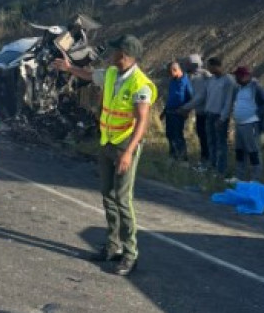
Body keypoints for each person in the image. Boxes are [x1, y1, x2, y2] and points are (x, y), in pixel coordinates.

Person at [53, 35, 156, 277]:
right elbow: (90, 75)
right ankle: (112, 246)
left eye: (114, 51)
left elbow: (143, 121)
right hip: (107, 142)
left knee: (122, 199)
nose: (109, 55)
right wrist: (70, 69)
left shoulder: (140, 84)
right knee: (107, 196)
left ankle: (130, 254)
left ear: (124, 55)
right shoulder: (111, 73)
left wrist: (129, 152)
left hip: (124, 146)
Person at [231, 65, 264, 182]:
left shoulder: (257, 88)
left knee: (253, 152)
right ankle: (239, 177)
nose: (236, 78)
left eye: (238, 76)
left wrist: (257, 114)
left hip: (251, 125)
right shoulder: (239, 88)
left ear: (246, 76)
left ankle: (255, 178)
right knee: (240, 151)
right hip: (240, 124)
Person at [204, 56, 237, 176]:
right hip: (209, 113)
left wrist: (223, 118)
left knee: (220, 144)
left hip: (219, 116)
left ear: (216, 66)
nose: (207, 69)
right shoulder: (211, 79)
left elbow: (229, 101)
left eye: (209, 66)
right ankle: (212, 165)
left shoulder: (228, 81)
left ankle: (221, 170)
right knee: (211, 141)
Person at [179, 53, 212, 168]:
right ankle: (205, 160)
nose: (185, 66)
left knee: (206, 138)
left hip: (205, 112)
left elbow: (200, 97)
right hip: (200, 112)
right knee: (203, 137)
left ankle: (207, 161)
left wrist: (185, 107)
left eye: (187, 64)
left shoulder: (201, 77)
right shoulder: (195, 76)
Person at [160, 60, 193, 161]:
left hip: (179, 113)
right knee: (169, 134)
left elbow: (191, 98)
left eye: (170, 73)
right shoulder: (173, 81)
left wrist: (186, 111)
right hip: (169, 112)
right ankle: (173, 155)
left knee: (177, 135)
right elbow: (170, 98)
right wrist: (164, 112)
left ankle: (182, 157)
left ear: (176, 70)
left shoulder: (186, 81)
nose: (169, 75)